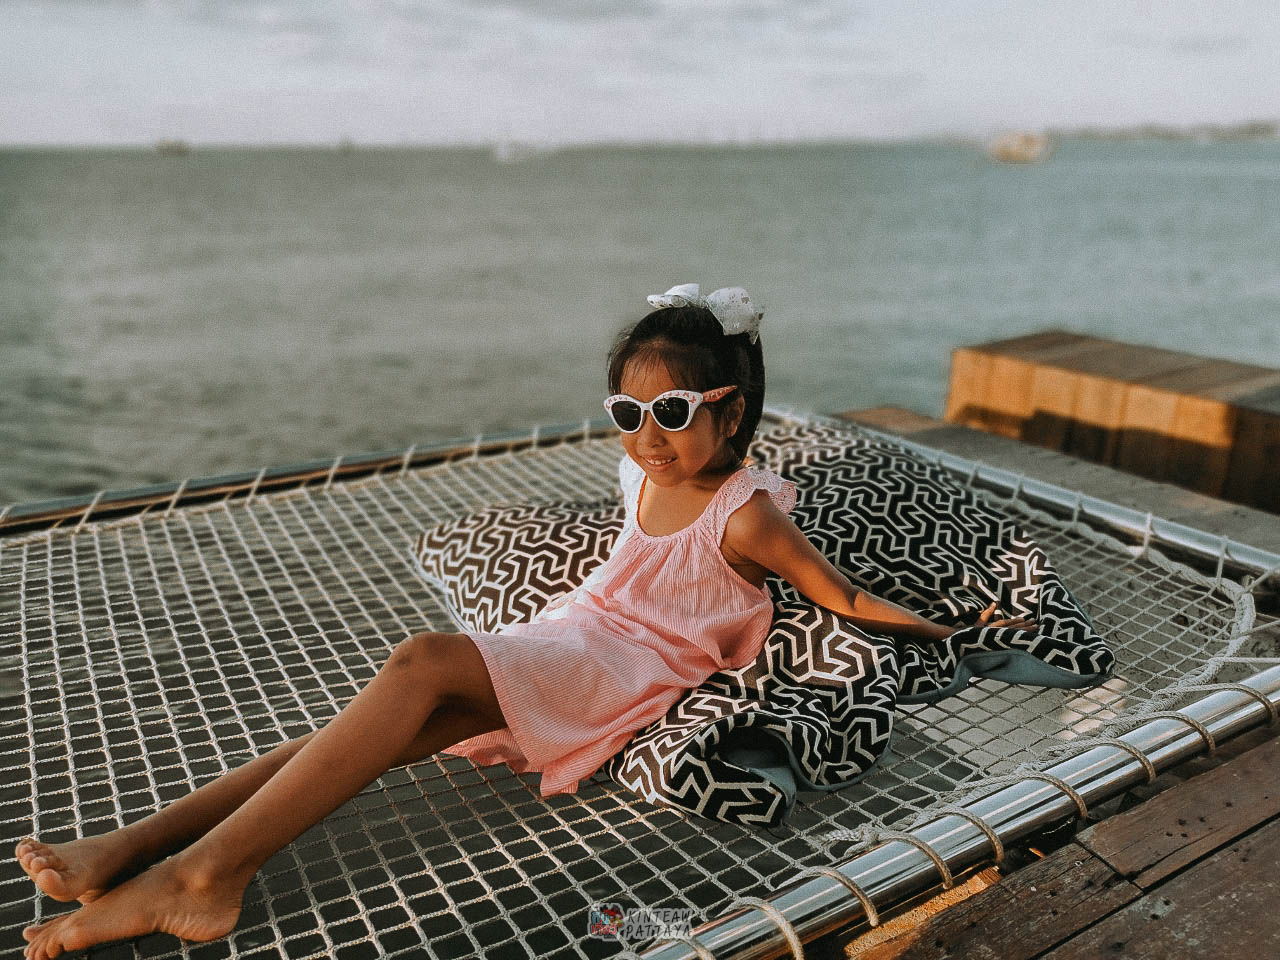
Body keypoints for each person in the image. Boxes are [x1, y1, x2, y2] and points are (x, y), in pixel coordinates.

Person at [13, 283, 1035, 958]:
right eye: (629, 414)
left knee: (418, 661)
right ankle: (140, 844)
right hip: (571, 633)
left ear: (732, 410)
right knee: (364, 734)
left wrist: (948, 628)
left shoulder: (749, 514)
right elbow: (623, 567)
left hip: (621, 669)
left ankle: (206, 873)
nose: (650, 437)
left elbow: (840, 596)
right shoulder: (639, 472)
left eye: (675, 414)